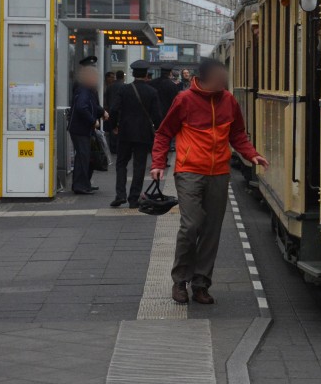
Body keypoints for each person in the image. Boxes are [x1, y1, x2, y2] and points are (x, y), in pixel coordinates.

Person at [152, 58, 268, 305]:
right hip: (189, 170)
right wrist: (158, 164)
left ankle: (201, 283)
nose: (223, 81)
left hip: (219, 173)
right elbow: (164, 132)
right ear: (204, 78)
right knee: (191, 225)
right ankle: (180, 280)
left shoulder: (229, 100)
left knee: (211, 230)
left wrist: (251, 154)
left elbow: (237, 134)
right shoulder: (184, 100)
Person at [107, 60, 163, 208]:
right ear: (146, 74)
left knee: (121, 163)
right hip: (143, 133)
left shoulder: (124, 90)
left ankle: (120, 194)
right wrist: (159, 131)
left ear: (132, 73)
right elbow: (157, 116)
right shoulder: (152, 92)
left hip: (125, 132)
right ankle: (134, 198)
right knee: (139, 165)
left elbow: (113, 109)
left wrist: (113, 126)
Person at [69, 65, 102, 195]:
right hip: (80, 129)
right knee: (83, 157)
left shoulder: (86, 90)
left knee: (83, 156)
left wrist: (101, 112)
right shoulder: (84, 90)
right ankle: (80, 185)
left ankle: (84, 184)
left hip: (80, 129)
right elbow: (81, 107)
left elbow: (91, 106)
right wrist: (93, 121)